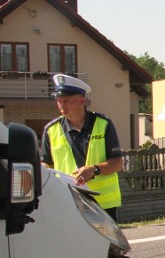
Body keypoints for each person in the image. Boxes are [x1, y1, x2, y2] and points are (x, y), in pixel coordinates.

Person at [40, 74, 124, 221]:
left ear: (82, 101)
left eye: (67, 101)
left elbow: (117, 163)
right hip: (67, 201)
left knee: (105, 245)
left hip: (102, 203)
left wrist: (94, 169)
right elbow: (45, 164)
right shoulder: (51, 130)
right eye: (59, 101)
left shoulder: (103, 124)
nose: (62, 106)